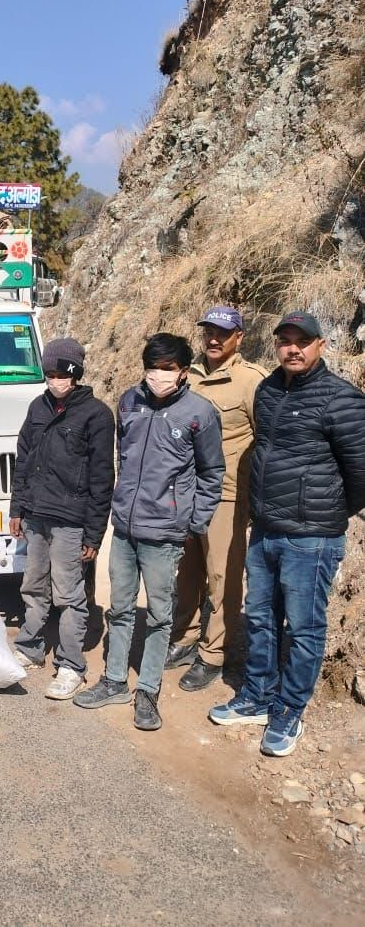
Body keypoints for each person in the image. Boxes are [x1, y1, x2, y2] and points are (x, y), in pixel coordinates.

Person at [209, 312, 365, 755]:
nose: (293, 349)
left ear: (321, 345)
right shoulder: (269, 390)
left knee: (303, 628)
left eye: (303, 341)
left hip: (311, 537)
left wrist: (329, 511)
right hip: (266, 529)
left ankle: (289, 710)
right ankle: (257, 696)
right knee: (259, 618)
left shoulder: (342, 400)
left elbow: (360, 474)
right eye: (285, 341)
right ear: (275, 345)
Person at [75, 333, 224, 731]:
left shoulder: (199, 413)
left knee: (159, 616)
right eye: (153, 367)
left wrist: (195, 520)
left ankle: (149, 691)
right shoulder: (128, 402)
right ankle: (114, 681)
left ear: (183, 372)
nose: (159, 375)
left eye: (168, 368)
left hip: (165, 532)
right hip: (124, 527)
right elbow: (123, 455)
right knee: (120, 609)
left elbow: (212, 473)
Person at [165, 307, 268, 690]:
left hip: (226, 495)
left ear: (239, 337)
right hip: (185, 492)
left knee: (222, 575)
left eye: (222, 333)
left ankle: (215, 652)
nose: (213, 339)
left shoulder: (252, 381)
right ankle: (186, 637)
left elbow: (267, 441)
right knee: (187, 570)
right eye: (208, 331)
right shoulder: (186, 376)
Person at [9, 337, 115, 700]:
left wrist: (94, 534)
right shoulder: (37, 408)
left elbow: (103, 478)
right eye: (51, 373)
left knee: (69, 596)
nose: (56, 379)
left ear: (76, 374)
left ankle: (71, 666)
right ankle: (29, 649)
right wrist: (17, 509)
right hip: (36, 516)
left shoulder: (97, 415)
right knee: (34, 587)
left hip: (72, 520)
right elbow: (23, 460)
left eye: (62, 373)